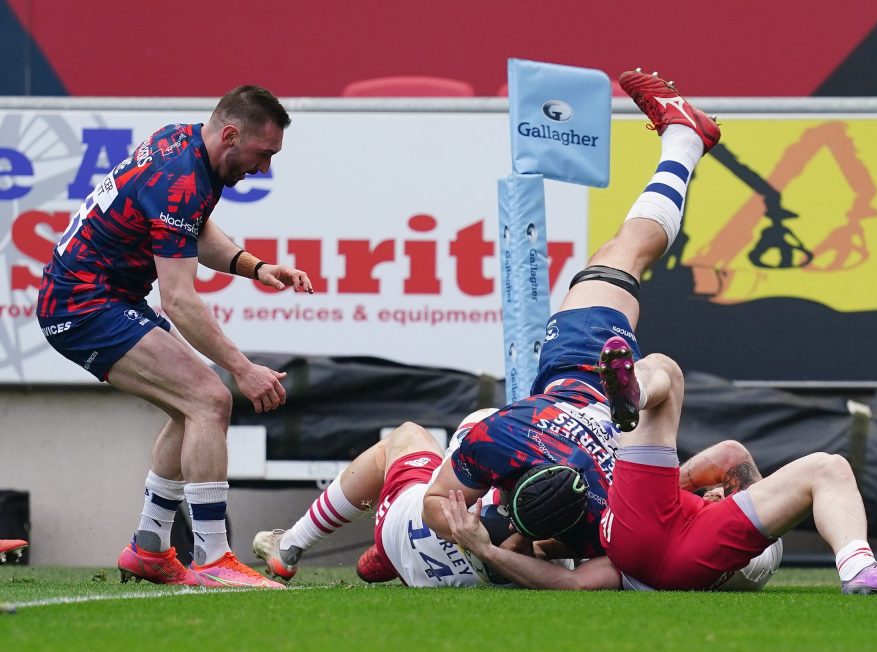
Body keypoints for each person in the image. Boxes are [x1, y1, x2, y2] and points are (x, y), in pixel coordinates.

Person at [421, 67, 723, 558]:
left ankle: (640, 391)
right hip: (578, 368)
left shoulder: (600, 525)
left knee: (617, 258)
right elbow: (434, 503)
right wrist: (466, 534)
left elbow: (578, 570)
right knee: (628, 250)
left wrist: (487, 548)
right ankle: (684, 140)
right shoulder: (499, 435)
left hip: (636, 453)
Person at [36, 86, 314, 589]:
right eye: (264, 154)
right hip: (84, 306)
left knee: (191, 407)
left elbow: (197, 231)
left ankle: (149, 548)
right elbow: (180, 301)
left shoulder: (184, 143)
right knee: (210, 400)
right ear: (230, 135)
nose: (266, 167)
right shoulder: (180, 177)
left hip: (100, 300)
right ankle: (212, 557)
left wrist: (256, 267)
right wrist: (243, 369)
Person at [442, 334, 877, 595]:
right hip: (696, 553)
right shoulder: (728, 530)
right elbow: (731, 459)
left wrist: (490, 552)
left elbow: (570, 581)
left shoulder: (602, 550)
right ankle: (857, 566)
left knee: (826, 465)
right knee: (827, 467)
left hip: (668, 551)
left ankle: (860, 570)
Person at [252, 411, 555, 587]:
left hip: (410, 531)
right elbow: (581, 577)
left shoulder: (497, 425)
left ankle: (293, 542)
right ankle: (385, 558)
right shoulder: (586, 527)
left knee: (408, 434)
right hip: (462, 570)